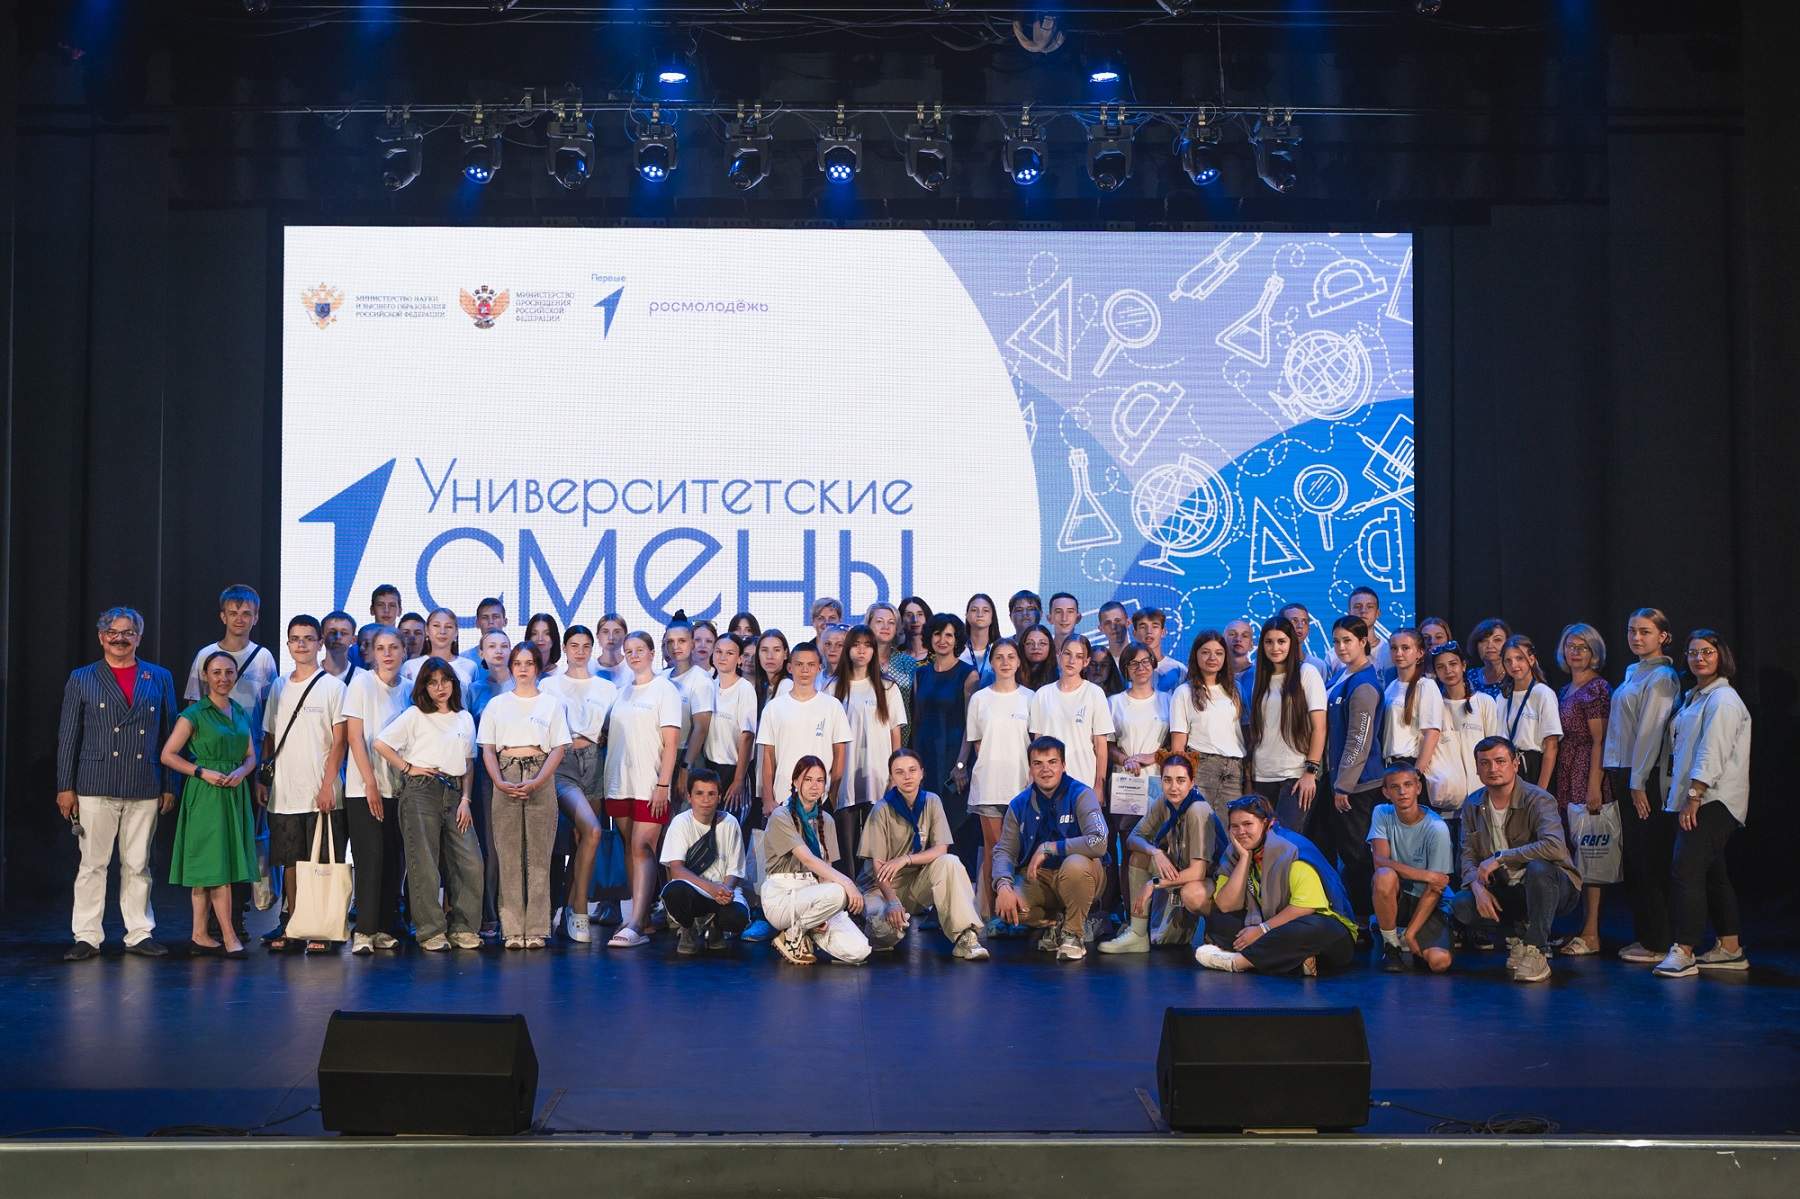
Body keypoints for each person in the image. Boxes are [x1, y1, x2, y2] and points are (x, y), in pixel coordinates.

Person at [57, 606, 179, 960]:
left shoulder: (159, 677)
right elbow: (68, 736)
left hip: (144, 782)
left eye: (128, 632)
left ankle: (139, 933)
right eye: (113, 632)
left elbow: (170, 736)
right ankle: (87, 936)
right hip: (95, 783)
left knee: (138, 864)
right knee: (92, 865)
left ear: (139, 637)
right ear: (101, 637)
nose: (120, 638)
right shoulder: (82, 677)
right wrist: (65, 786)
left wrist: (169, 784)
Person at [1654, 630, 1752, 978]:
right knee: (1713, 873)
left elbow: (1713, 751)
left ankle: (1684, 950)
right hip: (1698, 797)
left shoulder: (1723, 699)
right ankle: (1730, 947)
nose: (1699, 658)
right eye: (1693, 652)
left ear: (1720, 655)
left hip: (1713, 799)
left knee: (1686, 870)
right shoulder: (1695, 696)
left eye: (1707, 652)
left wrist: (1694, 796)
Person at [1450, 737, 1581, 983]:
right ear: (1477, 769)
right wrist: (1476, 886)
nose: (1493, 769)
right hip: (1508, 887)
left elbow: (1554, 846)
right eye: (1485, 763)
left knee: (1539, 869)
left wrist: (1501, 858)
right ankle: (1519, 938)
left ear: (1515, 764)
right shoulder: (1473, 803)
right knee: (1462, 903)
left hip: (1553, 887)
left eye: (1500, 761)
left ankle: (1537, 949)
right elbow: (1466, 856)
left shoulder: (1538, 798)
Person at [375, 659, 482, 951]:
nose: (440, 687)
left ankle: (463, 927)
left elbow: (468, 763)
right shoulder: (414, 715)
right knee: (424, 863)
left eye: (445, 680)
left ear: (453, 683)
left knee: (470, 861)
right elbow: (381, 743)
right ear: (424, 687)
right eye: (432, 682)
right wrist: (408, 768)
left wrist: (466, 799)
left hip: (455, 792)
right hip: (422, 791)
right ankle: (430, 930)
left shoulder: (464, 718)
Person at [257, 615, 348, 953]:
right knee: (291, 864)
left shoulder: (334, 687)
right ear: (288, 644)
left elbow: (340, 741)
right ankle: (294, 925)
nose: (301, 644)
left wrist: (327, 785)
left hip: (322, 791)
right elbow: (269, 736)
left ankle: (322, 928)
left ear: (320, 643)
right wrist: (263, 780)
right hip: (284, 791)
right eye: (295, 639)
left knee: (322, 862)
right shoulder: (279, 686)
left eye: (308, 638)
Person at [162, 651, 260, 959]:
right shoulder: (193, 714)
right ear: (205, 676)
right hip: (206, 794)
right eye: (216, 672)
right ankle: (229, 936)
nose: (223, 678)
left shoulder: (239, 711)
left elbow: (251, 755)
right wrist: (202, 772)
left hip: (233, 793)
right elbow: (168, 755)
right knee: (215, 866)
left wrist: (242, 772)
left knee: (213, 865)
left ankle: (199, 934)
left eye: (229, 672)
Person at [1196, 795, 1358, 976]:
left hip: (1325, 930)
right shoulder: (1235, 852)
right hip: (1272, 922)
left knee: (1310, 929)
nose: (1241, 832)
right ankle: (1297, 962)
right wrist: (1244, 859)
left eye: (1248, 824)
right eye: (1235, 826)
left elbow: (1305, 907)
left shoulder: (1291, 850)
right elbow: (1226, 905)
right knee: (1221, 920)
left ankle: (1238, 962)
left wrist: (1262, 930)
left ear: (1267, 823)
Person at [478, 643, 570, 950]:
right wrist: (499, 781)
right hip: (505, 773)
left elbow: (559, 748)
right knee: (508, 856)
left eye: (528, 663)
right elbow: (487, 749)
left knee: (539, 856)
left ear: (538, 667)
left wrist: (539, 780)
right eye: (517, 663)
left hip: (539, 772)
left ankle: (537, 928)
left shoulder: (551, 704)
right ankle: (512, 929)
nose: (522, 668)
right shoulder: (497, 704)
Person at [1603, 608, 1680, 965]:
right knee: (1635, 859)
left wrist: (1637, 783)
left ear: (1662, 636)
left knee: (1648, 858)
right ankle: (1648, 935)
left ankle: (1659, 941)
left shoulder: (1662, 677)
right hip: (1625, 771)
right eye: (1632, 630)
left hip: (1643, 775)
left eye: (1645, 631)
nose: (1636, 637)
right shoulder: (1634, 671)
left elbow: (1651, 732)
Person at [859, 749, 989, 960]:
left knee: (950, 862)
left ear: (922, 773)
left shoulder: (932, 801)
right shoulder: (881, 809)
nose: (907, 776)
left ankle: (966, 937)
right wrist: (892, 901)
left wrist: (905, 859)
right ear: (892, 777)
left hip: (914, 884)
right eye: (899, 772)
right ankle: (869, 926)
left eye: (912, 770)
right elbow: (878, 867)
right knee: (887, 933)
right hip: (881, 889)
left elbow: (941, 849)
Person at [991, 736, 1109, 961]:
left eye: (1052, 762)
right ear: (1030, 768)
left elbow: (1099, 841)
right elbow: (1004, 851)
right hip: (1040, 878)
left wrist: (1050, 848)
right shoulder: (1019, 803)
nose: (1045, 770)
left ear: (1063, 765)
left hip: (1081, 874)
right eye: (1038, 764)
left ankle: (1073, 934)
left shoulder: (1082, 794)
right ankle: (1056, 922)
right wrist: (1003, 885)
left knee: (1074, 865)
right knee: (1008, 907)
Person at [603, 632, 682, 948]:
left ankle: (634, 923)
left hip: (650, 784)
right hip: (620, 782)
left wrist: (663, 784)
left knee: (642, 847)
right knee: (629, 848)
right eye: (629, 651)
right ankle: (643, 918)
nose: (634, 655)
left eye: (640, 650)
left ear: (651, 653)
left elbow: (671, 744)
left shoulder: (665, 690)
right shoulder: (621, 692)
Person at [1099, 750, 1221, 954]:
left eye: (1181, 780)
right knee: (1140, 856)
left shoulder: (1198, 809)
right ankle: (1137, 934)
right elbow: (1133, 839)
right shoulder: (1164, 802)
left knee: (1191, 894)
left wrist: (1153, 884)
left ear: (1192, 782)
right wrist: (1155, 852)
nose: (1173, 787)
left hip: (1210, 881)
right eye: (1167, 780)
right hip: (1181, 871)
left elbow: (1198, 872)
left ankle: (1219, 931)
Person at [542, 625, 618, 945]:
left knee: (583, 840)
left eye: (586, 645)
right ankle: (579, 910)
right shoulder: (549, 685)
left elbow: (613, 728)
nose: (580, 651)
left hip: (595, 762)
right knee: (591, 830)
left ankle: (568, 914)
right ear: (564, 647)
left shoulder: (607, 688)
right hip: (564, 763)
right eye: (574, 645)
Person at [953, 638, 1034, 933]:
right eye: (999, 657)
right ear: (992, 662)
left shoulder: (1030, 698)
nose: (1005, 662)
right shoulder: (980, 699)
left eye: (1011, 656)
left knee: (1021, 850)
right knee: (994, 850)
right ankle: (994, 915)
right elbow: (976, 744)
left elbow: (1035, 743)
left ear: (1018, 661)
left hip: (1022, 786)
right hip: (988, 784)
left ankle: (1020, 912)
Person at [341, 625, 411, 955]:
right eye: (381, 648)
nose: (387, 654)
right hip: (364, 788)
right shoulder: (361, 683)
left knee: (393, 861)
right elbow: (354, 737)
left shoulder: (409, 689)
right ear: (371, 653)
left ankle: (383, 926)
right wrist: (369, 782)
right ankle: (364, 930)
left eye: (394, 647)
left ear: (404, 651)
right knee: (370, 858)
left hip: (398, 789)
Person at [761, 756, 870, 966]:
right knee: (839, 891)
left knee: (860, 951)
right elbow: (808, 859)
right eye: (808, 779)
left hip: (815, 893)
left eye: (820, 780)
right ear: (796, 782)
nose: (814, 786)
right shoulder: (781, 815)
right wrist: (848, 883)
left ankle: (808, 929)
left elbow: (826, 871)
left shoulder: (826, 820)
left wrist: (824, 915)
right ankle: (792, 934)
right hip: (783, 894)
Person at [1554, 623, 1613, 957]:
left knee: (1591, 855)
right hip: (1565, 769)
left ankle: (1591, 933)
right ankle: (1577, 928)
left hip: (1586, 771)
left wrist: (1594, 786)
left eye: (1582, 647)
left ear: (1594, 652)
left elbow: (1599, 741)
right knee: (1572, 851)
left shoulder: (1597, 688)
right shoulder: (1566, 688)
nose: (1575, 652)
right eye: (1570, 646)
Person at [1325, 615, 1387, 925]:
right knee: (1347, 854)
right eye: (1336, 641)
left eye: (1347, 640)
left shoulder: (1364, 684)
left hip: (1359, 787)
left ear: (1363, 641)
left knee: (1358, 856)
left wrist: (1343, 786)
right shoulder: (1343, 674)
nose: (1341, 647)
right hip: (1342, 781)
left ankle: (1364, 920)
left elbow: (1359, 740)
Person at [1107, 643, 1173, 930]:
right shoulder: (1114, 702)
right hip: (1127, 785)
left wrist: (1153, 757)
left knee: (1162, 849)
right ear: (1125, 669)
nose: (1141, 667)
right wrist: (1126, 759)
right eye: (1134, 663)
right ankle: (1131, 917)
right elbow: (1106, 745)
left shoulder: (1168, 700)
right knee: (1131, 851)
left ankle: (1159, 919)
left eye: (1146, 661)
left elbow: (1177, 744)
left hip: (1161, 784)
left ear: (1154, 664)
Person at [832, 624, 907, 877]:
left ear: (874, 650)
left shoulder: (887, 687)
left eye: (867, 645)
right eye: (856, 645)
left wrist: (896, 774)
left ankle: (880, 890)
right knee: (846, 843)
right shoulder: (833, 687)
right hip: (846, 774)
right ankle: (848, 890)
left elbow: (895, 733)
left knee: (879, 840)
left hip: (879, 772)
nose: (861, 651)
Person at [1244, 616, 1327, 832]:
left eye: (1281, 641)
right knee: (1262, 842)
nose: (1275, 648)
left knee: (1284, 841)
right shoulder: (1260, 679)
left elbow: (1319, 728)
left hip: (1295, 775)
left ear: (1291, 642)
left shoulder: (1307, 673)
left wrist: (1311, 771)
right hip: (1262, 775)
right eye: (1269, 642)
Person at [911, 613, 979, 877]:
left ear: (956, 639)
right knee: (927, 827)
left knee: (956, 826)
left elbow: (971, 725)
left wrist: (961, 764)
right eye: (938, 634)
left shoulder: (968, 674)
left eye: (949, 635)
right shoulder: (920, 674)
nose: (942, 640)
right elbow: (916, 721)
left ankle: (963, 890)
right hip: (926, 759)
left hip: (954, 761)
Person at [1369, 764, 1454, 973]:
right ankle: (1391, 944)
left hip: (1428, 902)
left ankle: (1404, 933)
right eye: (1395, 787)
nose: (1402, 791)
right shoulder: (1381, 812)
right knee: (1384, 875)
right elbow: (1379, 861)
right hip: (1398, 894)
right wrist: (1426, 875)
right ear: (1386, 792)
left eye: (1408, 785)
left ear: (1418, 788)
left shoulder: (1437, 828)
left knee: (1440, 962)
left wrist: (1411, 933)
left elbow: (1436, 888)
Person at [658, 768, 749, 953]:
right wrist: (711, 889)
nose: (705, 800)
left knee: (737, 917)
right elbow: (676, 870)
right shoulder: (680, 822)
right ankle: (688, 927)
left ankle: (716, 927)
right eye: (699, 793)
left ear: (719, 797)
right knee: (675, 892)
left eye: (711, 794)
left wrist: (724, 891)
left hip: (722, 891)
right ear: (689, 797)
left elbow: (735, 870)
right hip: (696, 890)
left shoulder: (730, 823)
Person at [756, 642, 851, 816]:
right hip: (782, 798)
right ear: (790, 667)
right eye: (799, 664)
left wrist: (832, 795)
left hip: (820, 799)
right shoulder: (773, 708)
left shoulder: (832, 706)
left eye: (811, 664)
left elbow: (840, 754)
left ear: (819, 668)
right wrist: (768, 799)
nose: (805, 670)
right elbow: (768, 757)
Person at [1028, 633, 1114, 816]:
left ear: (1086, 661)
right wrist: (1032, 781)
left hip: (1083, 780)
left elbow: (1101, 746)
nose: (1072, 660)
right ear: (1059, 655)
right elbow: (1037, 743)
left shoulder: (1094, 693)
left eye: (1079, 656)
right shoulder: (1043, 694)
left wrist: (1099, 786)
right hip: (1048, 781)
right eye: (1067, 654)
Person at [1167, 630, 1246, 819]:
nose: (1212, 658)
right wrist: (1182, 778)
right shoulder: (1183, 692)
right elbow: (1178, 743)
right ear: (1196, 655)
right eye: (1205, 652)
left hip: (1234, 770)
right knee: (1200, 826)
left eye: (1218, 653)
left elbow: (1244, 732)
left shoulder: (1236, 689)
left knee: (1229, 828)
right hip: (1202, 767)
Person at [1425, 641, 1501, 827]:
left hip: (1482, 800)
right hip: (1445, 805)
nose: (1448, 671)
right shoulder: (1432, 706)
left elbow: (1495, 747)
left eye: (1453, 664)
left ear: (1463, 665)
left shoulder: (1484, 702)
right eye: (1441, 667)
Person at [699, 633, 758, 818]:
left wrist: (738, 779)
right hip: (709, 768)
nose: (722, 657)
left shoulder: (744, 689)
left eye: (730, 653)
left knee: (730, 825)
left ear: (739, 659)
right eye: (719, 651)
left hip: (733, 770)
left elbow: (747, 737)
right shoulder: (709, 686)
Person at [660, 612, 716, 803]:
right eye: (670, 642)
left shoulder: (701, 680)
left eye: (682, 641)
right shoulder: (662, 677)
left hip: (686, 756)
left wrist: (686, 767)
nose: (676, 646)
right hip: (662, 756)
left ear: (692, 643)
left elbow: (701, 728)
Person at [1497, 634, 1561, 787]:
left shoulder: (1543, 693)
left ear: (1531, 660)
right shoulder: (1502, 697)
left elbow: (1551, 745)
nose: (1514, 665)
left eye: (1519, 658)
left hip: (1535, 767)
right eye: (1508, 661)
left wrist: (1541, 789)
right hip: (1508, 766)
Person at [1382, 628, 1443, 777]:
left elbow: (1432, 733)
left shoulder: (1426, 685)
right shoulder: (1391, 686)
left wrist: (1416, 773)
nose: (1399, 653)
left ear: (1420, 653)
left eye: (1405, 648)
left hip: (1409, 764)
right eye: (1394, 648)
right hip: (1390, 764)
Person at [402, 607, 475, 690]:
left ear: (456, 632)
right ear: (427, 630)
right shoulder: (410, 666)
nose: (442, 631)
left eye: (448, 626)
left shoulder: (470, 666)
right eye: (436, 626)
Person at [866, 601, 917, 708]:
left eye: (891, 622)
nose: (886, 627)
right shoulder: (860, 661)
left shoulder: (908, 663)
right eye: (879, 621)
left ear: (896, 628)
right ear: (868, 625)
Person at [1340, 586, 1395, 684]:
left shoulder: (1390, 652)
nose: (1363, 611)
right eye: (1357, 606)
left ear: (1378, 613)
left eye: (1369, 606)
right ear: (1349, 613)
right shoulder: (1335, 654)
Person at [1131, 608, 1184, 692]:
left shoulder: (1179, 669)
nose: (1149, 631)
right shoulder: (1128, 670)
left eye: (1155, 626)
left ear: (1163, 632)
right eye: (1143, 627)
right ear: (1135, 633)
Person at [1279, 601, 1334, 678]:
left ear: (1308, 628)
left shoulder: (1319, 665)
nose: (1300, 626)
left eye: (1304, 621)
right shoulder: (1268, 664)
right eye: (1294, 620)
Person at [961, 593, 1000, 688]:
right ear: (967, 615)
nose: (980, 614)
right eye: (974, 610)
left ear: (992, 617)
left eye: (985, 610)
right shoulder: (957, 651)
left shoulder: (1000, 649)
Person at [1468, 618, 1513, 698]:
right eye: (1484, 640)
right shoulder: (1470, 677)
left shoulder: (1515, 675)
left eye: (1497, 640)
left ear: (1508, 644)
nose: (1490, 645)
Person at [459, 597, 508, 668]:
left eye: (495, 617)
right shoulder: (464, 660)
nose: (490, 622)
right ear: (477, 623)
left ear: (505, 622)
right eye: (485, 617)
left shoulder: (515, 658)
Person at [321, 610, 358, 683]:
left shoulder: (364, 678)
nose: (338, 637)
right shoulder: (308, 675)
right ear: (322, 638)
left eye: (344, 633)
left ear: (353, 640)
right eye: (332, 632)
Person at [596, 612, 633, 685]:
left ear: (625, 636)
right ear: (598, 636)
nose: (611, 637)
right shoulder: (588, 667)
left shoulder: (633, 667)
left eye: (617, 632)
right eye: (605, 632)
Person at [1018, 623, 1058, 690]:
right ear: (1023, 647)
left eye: (1042, 643)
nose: (1036, 647)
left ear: (1050, 647)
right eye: (1030, 643)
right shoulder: (1013, 673)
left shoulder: (1060, 674)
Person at [523, 613, 563, 678]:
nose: (540, 638)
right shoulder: (519, 672)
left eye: (547, 633)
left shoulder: (563, 674)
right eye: (534, 633)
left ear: (554, 638)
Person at [898, 596, 933, 666]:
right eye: (909, 615)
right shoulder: (894, 656)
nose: (915, 620)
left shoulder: (938, 654)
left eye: (920, 614)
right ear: (901, 620)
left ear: (927, 618)